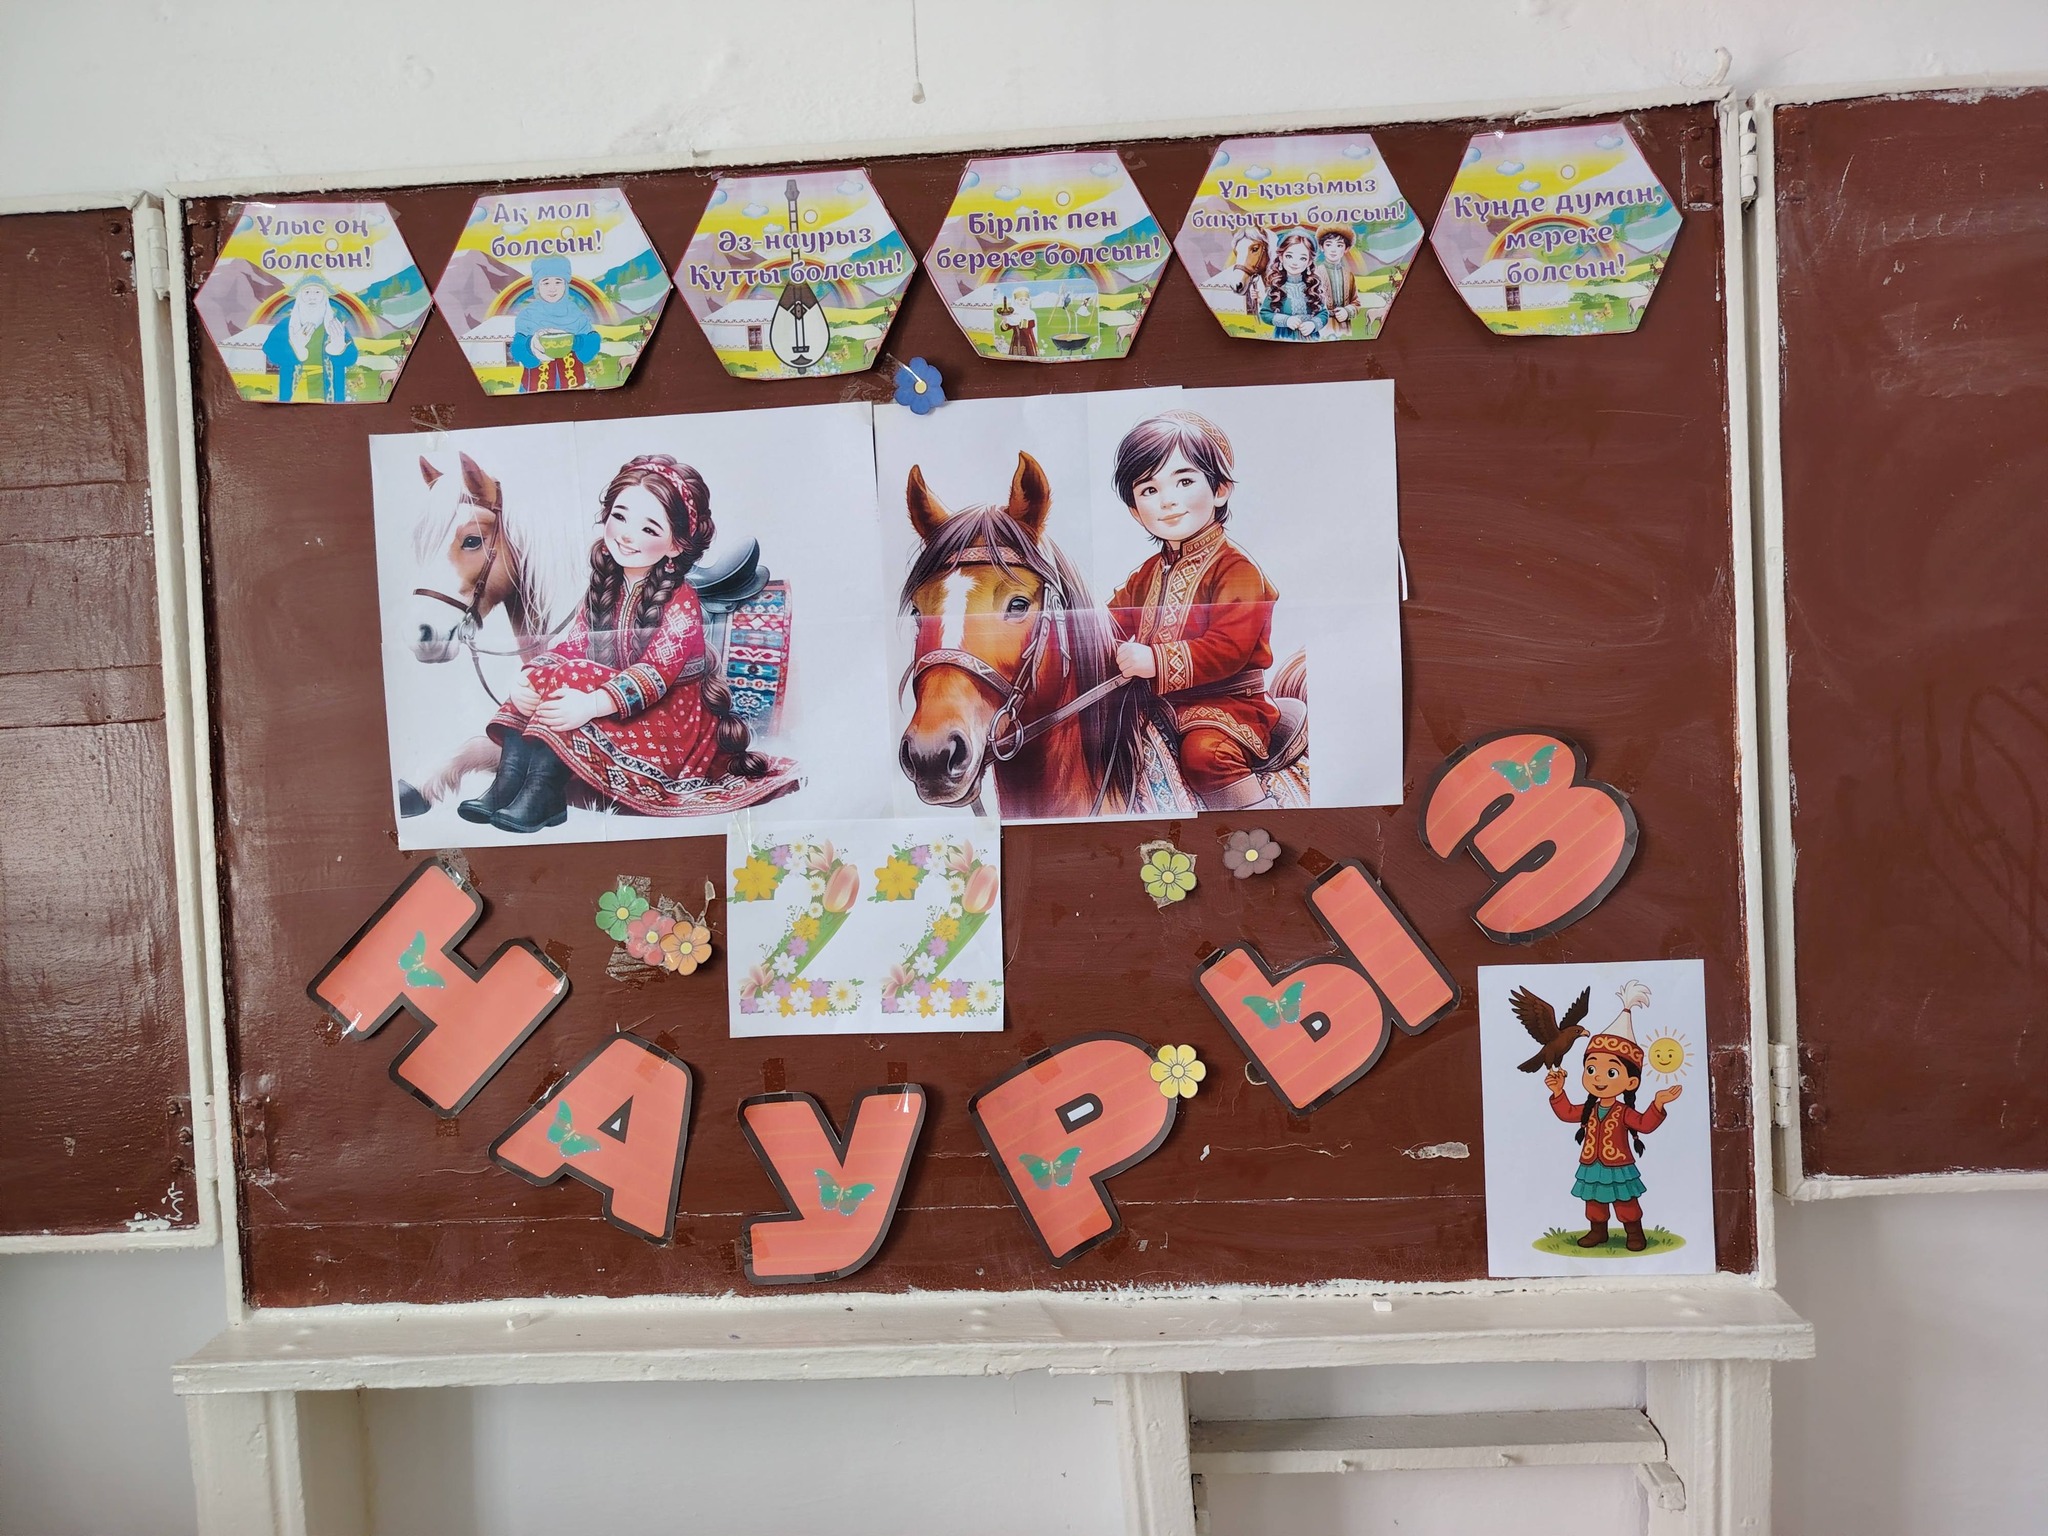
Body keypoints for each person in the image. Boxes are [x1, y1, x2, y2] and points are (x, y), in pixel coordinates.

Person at [459, 455, 799, 832]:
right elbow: (574, 646)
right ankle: (509, 781)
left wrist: (591, 703)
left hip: (671, 722)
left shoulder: (681, 599)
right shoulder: (604, 587)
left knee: (574, 675)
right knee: (551, 673)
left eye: (649, 529)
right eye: (619, 517)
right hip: (620, 703)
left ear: (675, 546)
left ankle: (543, 789)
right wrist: (528, 678)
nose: (626, 535)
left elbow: (657, 673)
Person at [1107, 411, 1283, 811]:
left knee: (1205, 756)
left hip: (1229, 705)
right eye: (1149, 489)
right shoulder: (1146, 574)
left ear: (1220, 489)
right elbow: (1109, 623)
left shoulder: (1237, 568)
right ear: (1135, 510)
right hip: (1155, 703)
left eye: (1184, 482)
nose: (1167, 500)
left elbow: (1228, 648)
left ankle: (1260, 823)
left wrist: (1153, 660)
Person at [1544, 982, 1684, 1252]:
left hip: (1618, 1166)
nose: (1598, 1077)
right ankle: (1598, 1232)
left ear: (1631, 1083)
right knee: (1594, 1200)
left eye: (1611, 1073)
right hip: (1592, 1164)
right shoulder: (1589, 1110)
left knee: (1625, 1201)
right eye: (1591, 1069)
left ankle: (1634, 1233)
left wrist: (1658, 1103)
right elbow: (1567, 1113)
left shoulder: (1622, 1112)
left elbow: (1644, 1124)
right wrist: (1558, 1092)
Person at [510, 254, 602, 391]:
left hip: (573, 388)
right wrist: (530, 345)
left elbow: (593, 341)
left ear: (565, 284)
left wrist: (576, 342)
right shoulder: (527, 315)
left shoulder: (576, 313)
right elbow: (517, 348)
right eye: (546, 282)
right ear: (537, 286)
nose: (552, 288)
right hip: (534, 390)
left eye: (558, 282)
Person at [263, 273, 356, 402]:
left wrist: (338, 348)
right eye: (307, 292)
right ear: (299, 296)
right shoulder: (287, 325)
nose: (312, 297)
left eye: (317, 292)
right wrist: (296, 348)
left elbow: (351, 358)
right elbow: (271, 351)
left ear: (324, 296)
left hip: (329, 391)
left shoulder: (335, 325)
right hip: (294, 389)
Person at [1256, 231, 1328, 340]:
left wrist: (1313, 324)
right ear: (1281, 257)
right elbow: (1265, 313)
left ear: (1309, 262)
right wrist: (1286, 320)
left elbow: (1323, 313)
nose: (1295, 263)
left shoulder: (1312, 287)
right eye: (1289, 256)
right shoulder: (1277, 287)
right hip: (1283, 338)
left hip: (1310, 338)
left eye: (1302, 258)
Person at [1315, 226, 1360, 337]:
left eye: (1339, 245)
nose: (1333, 250)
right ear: (1321, 247)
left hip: (1344, 326)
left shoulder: (1349, 275)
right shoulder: (1315, 273)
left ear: (1346, 249)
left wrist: (1347, 312)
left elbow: (1356, 302)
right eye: (1328, 244)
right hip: (1321, 327)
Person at [996, 285, 1038, 357]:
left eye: (1026, 299)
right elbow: (1005, 328)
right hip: (1016, 339)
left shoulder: (1031, 313)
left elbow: (1032, 324)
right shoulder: (1013, 314)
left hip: (1028, 339)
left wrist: (1017, 320)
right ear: (1016, 301)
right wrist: (1005, 320)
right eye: (1021, 300)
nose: (1023, 302)